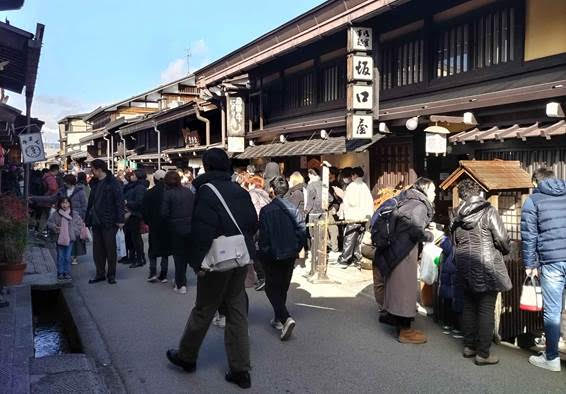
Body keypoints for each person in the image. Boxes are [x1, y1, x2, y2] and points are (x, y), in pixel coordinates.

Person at [166, 148, 257, 390]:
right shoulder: (239, 189)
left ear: (206, 166)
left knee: (204, 309)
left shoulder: (206, 191)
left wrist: (197, 264)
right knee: (237, 310)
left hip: (217, 261)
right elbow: (252, 223)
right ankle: (241, 370)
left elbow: (202, 231)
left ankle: (187, 356)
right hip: (240, 257)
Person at [451, 178, 511, 366]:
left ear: (462, 196)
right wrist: (505, 250)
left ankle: (469, 346)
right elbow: (502, 240)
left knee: (468, 305)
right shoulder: (488, 211)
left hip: (464, 263)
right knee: (486, 308)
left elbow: (454, 242)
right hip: (486, 265)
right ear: (478, 193)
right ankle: (483, 354)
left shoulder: (456, 215)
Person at [375, 178, 436, 344]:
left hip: (395, 249)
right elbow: (415, 229)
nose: (435, 194)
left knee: (396, 287)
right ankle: (405, 331)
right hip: (404, 252)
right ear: (426, 189)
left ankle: (395, 321)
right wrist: (430, 236)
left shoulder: (408, 198)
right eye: (434, 191)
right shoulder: (419, 205)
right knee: (405, 290)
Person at [521, 167, 566, 372]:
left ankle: (552, 358)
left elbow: (529, 236)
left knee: (553, 311)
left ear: (535, 183)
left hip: (552, 261)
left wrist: (530, 264)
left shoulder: (534, 200)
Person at [258, 176, 307, 341]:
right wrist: (296, 248)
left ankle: (285, 317)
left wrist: (263, 253)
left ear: (272, 190)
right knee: (283, 286)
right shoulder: (293, 208)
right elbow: (302, 231)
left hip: (273, 254)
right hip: (289, 253)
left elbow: (263, 237)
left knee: (271, 287)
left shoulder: (266, 210)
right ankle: (278, 318)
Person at [85, 159, 125, 284]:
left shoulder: (113, 182)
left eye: (93, 169)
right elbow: (91, 202)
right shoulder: (95, 183)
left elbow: (119, 201)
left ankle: (111, 274)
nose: (92, 172)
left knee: (110, 249)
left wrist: (120, 219)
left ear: (99, 169)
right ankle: (100, 273)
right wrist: (87, 219)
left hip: (109, 219)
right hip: (96, 219)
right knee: (97, 249)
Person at [161, 171, 194, 294]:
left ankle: (180, 284)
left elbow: (164, 213)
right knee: (185, 255)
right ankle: (180, 279)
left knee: (178, 256)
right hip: (190, 227)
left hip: (175, 228)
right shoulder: (188, 191)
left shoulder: (168, 194)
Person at [337, 167, 374, 267]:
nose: (351, 177)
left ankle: (346, 258)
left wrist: (343, 196)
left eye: (352, 175)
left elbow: (352, 201)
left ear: (354, 175)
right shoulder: (365, 186)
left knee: (350, 237)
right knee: (359, 238)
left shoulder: (352, 186)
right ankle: (357, 257)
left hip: (354, 215)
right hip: (364, 216)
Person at [142, 169, 170, 283]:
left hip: (154, 224)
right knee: (165, 251)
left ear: (155, 179)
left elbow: (144, 210)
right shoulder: (169, 191)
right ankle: (163, 274)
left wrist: (148, 222)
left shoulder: (149, 193)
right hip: (167, 225)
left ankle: (152, 272)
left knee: (152, 249)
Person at [47, 196, 84, 281]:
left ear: (70, 204)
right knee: (60, 256)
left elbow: (79, 224)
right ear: (60, 204)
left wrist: (73, 232)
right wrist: (55, 227)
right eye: (63, 202)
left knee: (67, 257)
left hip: (70, 238)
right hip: (59, 238)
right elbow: (49, 222)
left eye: (66, 202)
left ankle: (66, 272)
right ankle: (60, 272)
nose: (65, 205)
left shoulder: (74, 214)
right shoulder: (56, 214)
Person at [246, 175, 271, 291]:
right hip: (266, 225)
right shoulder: (266, 195)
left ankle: (262, 277)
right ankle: (267, 276)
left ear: (253, 184)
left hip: (256, 225)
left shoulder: (252, 194)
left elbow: (254, 210)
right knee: (262, 251)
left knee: (253, 252)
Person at [123, 169, 148, 268]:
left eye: (133, 175)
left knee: (135, 237)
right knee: (129, 236)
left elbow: (140, 202)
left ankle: (140, 258)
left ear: (137, 176)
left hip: (135, 214)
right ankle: (132, 256)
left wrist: (127, 203)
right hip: (129, 213)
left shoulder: (140, 187)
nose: (131, 176)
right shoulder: (132, 186)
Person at [328, 167, 343, 256]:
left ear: (333, 174)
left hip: (333, 207)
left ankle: (334, 247)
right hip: (334, 207)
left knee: (333, 227)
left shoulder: (335, 185)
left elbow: (334, 198)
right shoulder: (334, 184)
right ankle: (334, 246)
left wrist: (333, 206)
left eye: (329, 173)